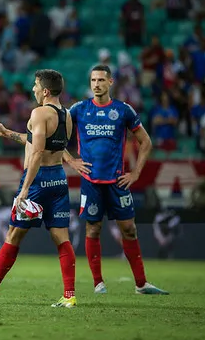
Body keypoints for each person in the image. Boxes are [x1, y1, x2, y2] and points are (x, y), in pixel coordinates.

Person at [0, 69, 78, 308]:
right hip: (58, 179)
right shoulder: (66, 115)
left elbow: (37, 151)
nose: (33, 89)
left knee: (14, 234)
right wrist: (7, 133)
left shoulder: (39, 113)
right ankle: (70, 295)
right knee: (61, 237)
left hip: (37, 180)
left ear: (46, 91)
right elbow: (41, 142)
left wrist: (26, 187)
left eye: (36, 85)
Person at [63, 65, 169, 295]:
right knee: (93, 229)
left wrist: (136, 173)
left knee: (129, 229)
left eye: (101, 80)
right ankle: (98, 283)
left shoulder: (123, 110)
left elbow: (146, 142)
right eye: (93, 80)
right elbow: (55, 135)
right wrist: (71, 161)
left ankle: (141, 284)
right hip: (91, 182)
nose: (96, 84)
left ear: (111, 82)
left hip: (117, 182)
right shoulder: (79, 109)